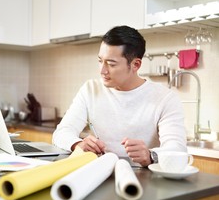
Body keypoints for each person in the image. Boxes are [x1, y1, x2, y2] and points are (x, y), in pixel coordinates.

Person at [52, 25, 187, 167]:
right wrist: (77, 144)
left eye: (111, 64)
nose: (102, 70)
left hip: (144, 179)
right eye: (100, 61)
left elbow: (178, 149)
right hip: (97, 173)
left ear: (135, 64)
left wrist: (150, 155)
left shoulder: (165, 98)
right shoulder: (90, 90)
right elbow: (61, 132)